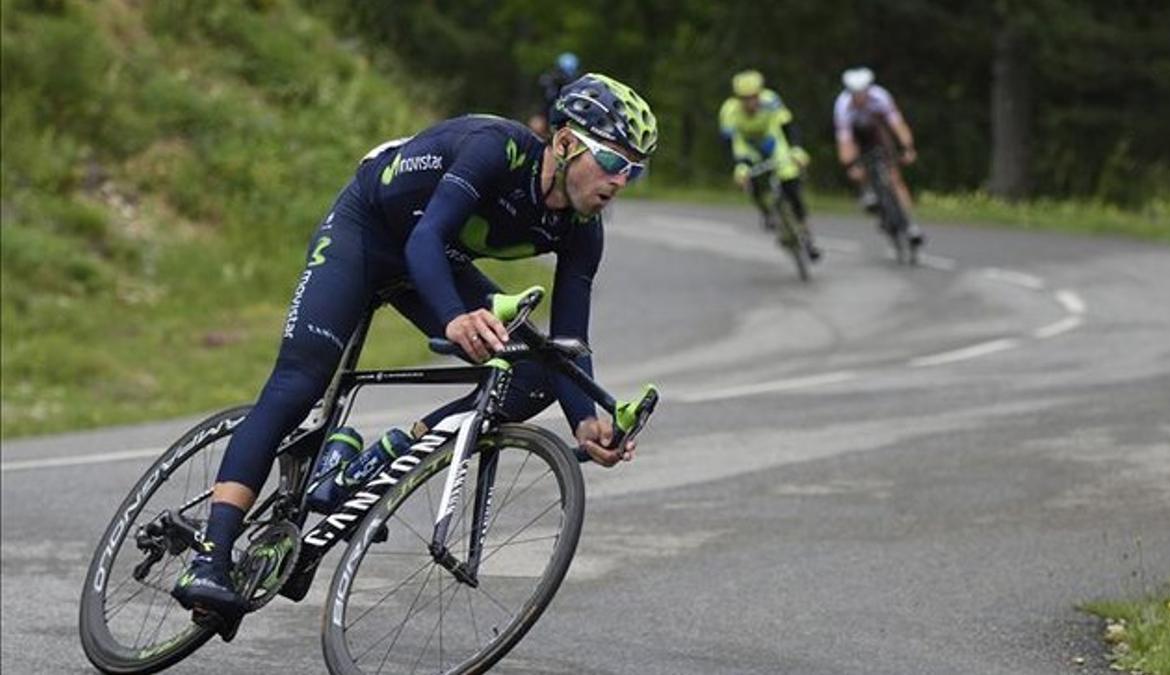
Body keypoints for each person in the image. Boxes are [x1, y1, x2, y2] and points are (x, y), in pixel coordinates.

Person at [171, 73, 658, 628]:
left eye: (634, 169)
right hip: (367, 234)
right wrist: (455, 317)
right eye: (614, 162)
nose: (621, 181)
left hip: (430, 260)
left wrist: (585, 423)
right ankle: (210, 557)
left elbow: (570, 342)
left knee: (534, 371)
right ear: (567, 143)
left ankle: (379, 459)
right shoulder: (496, 149)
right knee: (299, 384)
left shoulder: (581, 230)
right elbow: (424, 238)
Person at [718, 70, 821, 260]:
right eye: (745, 99)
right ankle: (765, 211)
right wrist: (738, 166)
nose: (751, 103)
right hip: (747, 149)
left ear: (760, 93)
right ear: (738, 98)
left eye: (754, 97)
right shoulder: (729, 111)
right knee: (751, 179)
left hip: (773, 143)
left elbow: (788, 127)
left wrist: (796, 149)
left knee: (792, 185)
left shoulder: (771, 100)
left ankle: (807, 234)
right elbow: (729, 143)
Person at [833, 67, 923, 246]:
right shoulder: (842, 105)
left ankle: (911, 224)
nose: (859, 97)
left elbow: (897, 125)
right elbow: (845, 141)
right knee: (857, 162)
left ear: (869, 90)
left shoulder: (881, 97)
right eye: (855, 94)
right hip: (857, 136)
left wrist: (908, 148)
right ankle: (867, 190)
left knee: (895, 177)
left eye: (863, 93)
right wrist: (850, 166)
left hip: (877, 133)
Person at [528, 52, 580, 139]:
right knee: (536, 128)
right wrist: (540, 116)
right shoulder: (550, 81)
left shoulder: (577, 84)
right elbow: (545, 101)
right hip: (547, 115)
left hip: (568, 118)